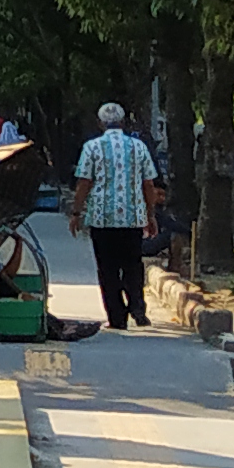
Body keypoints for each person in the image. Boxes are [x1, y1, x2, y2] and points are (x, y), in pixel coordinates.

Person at [69, 102, 165, 330]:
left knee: (107, 268)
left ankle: (117, 317)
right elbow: (148, 184)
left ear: (100, 124)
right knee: (133, 264)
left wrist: (76, 212)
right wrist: (150, 215)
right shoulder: (139, 147)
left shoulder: (92, 147)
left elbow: (84, 183)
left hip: (102, 219)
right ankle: (138, 309)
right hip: (132, 219)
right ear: (123, 123)